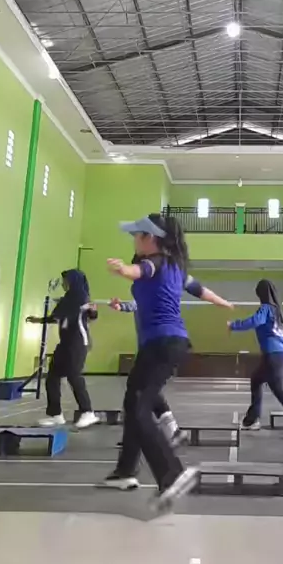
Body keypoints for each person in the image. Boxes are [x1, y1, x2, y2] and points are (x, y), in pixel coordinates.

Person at [100, 213, 233, 516]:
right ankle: (125, 471)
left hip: (163, 343)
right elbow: (199, 289)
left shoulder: (155, 262)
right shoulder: (176, 268)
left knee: (139, 405)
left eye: (138, 235)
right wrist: (222, 302)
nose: (134, 240)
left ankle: (171, 473)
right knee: (132, 399)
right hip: (163, 343)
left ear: (152, 239)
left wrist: (123, 270)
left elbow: (138, 271)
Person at [109, 256, 188, 449]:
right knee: (144, 391)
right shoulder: (142, 291)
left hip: (161, 346)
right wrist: (120, 306)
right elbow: (134, 305)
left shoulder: (157, 286)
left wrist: (124, 270)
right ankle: (171, 431)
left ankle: (138, 439)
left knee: (139, 393)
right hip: (148, 348)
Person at [228, 279, 283, 438]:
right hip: (281, 353)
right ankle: (252, 419)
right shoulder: (279, 311)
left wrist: (234, 325)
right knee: (256, 380)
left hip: (273, 354)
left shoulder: (266, 308)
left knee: (278, 388)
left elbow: (255, 321)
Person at [27, 269, 99, 429]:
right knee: (52, 377)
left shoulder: (80, 296)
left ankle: (88, 412)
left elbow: (92, 315)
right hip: (65, 342)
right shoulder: (68, 299)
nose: (64, 284)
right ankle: (55, 415)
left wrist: (92, 310)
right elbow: (58, 316)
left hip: (78, 342)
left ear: (73, 281)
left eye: (66, 281)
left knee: (74, 375)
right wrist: (40, 320)